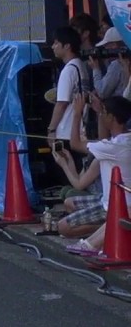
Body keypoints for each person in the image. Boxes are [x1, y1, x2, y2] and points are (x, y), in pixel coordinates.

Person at [54, 93, 131, 256]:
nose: (101, 115)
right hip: (108, 200)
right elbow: (80, 184)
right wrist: (67, 164)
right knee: (69, 202)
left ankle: (111, 229)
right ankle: (109, 228)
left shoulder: (113, 147)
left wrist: (77, 113)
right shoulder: (119, 142)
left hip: (116, 205)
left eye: (103, 113)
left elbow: (75, 144)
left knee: (63, 227)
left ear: (111, 117)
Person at [46, 26, 84, 150]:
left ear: (67, 46)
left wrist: (51, 129)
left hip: (66, 132)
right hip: (80, 129)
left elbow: (61, 103)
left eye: (56, 43)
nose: (53, 47)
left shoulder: (68, 70)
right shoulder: (80, 66)